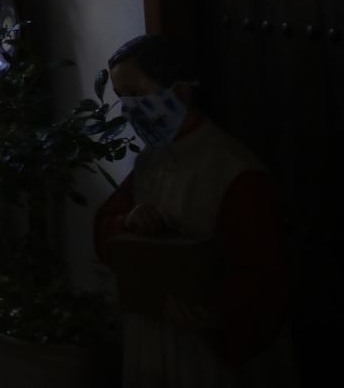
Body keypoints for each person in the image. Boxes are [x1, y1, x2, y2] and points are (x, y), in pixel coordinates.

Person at [95, 34, 293, 387]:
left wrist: (217, 312)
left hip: (205, 351)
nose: (128, 109)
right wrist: (127, 222)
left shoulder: (234, 171)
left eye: (137, 95)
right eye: (121, 98)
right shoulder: (150, 161)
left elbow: (262, 276)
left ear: (181, 93)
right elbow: (106, 230)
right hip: (151, 338)